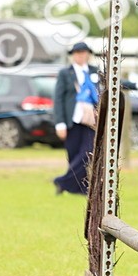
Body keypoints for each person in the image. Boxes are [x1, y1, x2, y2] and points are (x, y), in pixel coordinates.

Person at [53, 42, 101, 196]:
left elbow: (113, 84)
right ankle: (78, 188)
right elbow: (58, 99)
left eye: (83, 52)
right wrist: (59, 123)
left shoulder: (95, 72)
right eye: (77, 52)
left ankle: (62, 181)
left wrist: (136, 85)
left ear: (88, 54)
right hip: (72, 120)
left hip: (90, 121)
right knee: (73, 154)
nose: (80, 55)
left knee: (87, 153)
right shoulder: (65, 74)